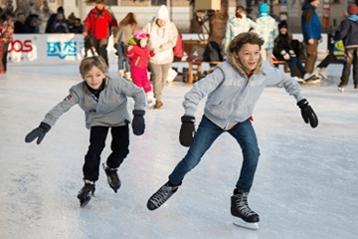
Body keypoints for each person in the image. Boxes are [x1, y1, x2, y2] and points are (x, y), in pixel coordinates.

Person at [146, 32, 318, 230]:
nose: (252, 58)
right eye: (246, 53)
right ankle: (171, 185)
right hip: (213, 120)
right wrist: (188, 118)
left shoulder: (264, 72)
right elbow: (196, 92)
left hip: (240, 120)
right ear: (236, 55)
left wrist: (302, 102)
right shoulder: (224, 71)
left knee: (253, 154)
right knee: (192, 159)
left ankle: (239, 199)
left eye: (256, 53)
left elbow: (288, 81)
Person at [24, 56, 146, 207]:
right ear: (83, 77)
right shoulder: (78, 91)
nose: (94, 80)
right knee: (94, 151)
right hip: (97, 120)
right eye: (89, 76)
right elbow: (62, 106)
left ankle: (111, 167)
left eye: (98, 75)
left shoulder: (117, 83)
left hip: (119, 118)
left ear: (104, 74)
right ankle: (89, 183)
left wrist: (139, 113)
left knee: (121, 150)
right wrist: (45, 125)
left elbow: (139, 93)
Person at [144, 5, 178, 109]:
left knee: (163, 79)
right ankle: (157, 99)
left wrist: (162, 47)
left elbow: (173, 41)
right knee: (157, 76)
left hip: (166, 56)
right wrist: (143, 42)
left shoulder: (171, 26)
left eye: (163, 21)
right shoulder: (149, 26)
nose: (161, 23)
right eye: (159, 20)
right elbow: (142, 35)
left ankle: (157, 94)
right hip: (153, 57)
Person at [83, 0, 118, 65]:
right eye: (98, 4)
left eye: (101, 4)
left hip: (104, 35)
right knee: (97, 49)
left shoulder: (107, 13)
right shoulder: (92, 12)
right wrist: (85, 30)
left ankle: (105, 64)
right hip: (94, 35)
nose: (99, 5)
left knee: (102, 49)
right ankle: (101, 62)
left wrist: (115, 31)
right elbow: (87, 22)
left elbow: (113, 22)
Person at [127, 30, 156, 107]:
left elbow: (148, 55)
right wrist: (130, 52)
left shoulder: (145, 48)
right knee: (138, 85)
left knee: (146, 83)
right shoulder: (134, 48)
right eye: (143, 41)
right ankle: (138, 100)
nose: (144, 43)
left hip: (144, 69)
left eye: (146, 41)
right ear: (138, 41)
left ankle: (150, 98)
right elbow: (130, 55)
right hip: (136, 69)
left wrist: (152, 53)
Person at [334, 3, 358, 92]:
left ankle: (343, 84)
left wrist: (336, 37)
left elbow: (342, 33)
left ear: (348, 12)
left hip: (350, 45)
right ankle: (357, 84)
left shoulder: (346, 22)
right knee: (357, 65)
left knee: (347, 65)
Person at [301, 0, 322, 83]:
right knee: (311, 55)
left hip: (314, 37)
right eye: (317, 0)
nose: (319, 2)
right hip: (311, 37)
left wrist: (319, 36)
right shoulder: (309, 10)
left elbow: (315, 24)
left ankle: (309, 73)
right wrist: (309, 36)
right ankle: (307, 74)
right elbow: (307, 24)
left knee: (314, 56)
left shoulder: (311, 10)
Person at [113, 12, 138, 79]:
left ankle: (121, 71)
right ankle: (128, 72)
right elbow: (135, 34)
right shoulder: (133, 24)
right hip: (128, 43)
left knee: (120, 57)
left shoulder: (122, 24)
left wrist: (115, 43)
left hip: (119, 42)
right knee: (128, 58)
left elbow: (117, 34)